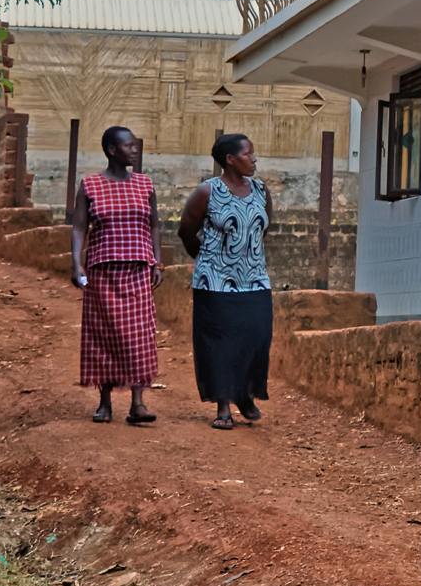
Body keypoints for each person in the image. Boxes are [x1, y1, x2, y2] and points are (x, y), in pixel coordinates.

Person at [179, 132, 275, 430]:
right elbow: (186, 230)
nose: (254, 159)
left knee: (258, 338)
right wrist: (209, 261)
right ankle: (224, 407)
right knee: (221, 344)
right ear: (230, 159)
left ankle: (244, 394)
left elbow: (263, 229)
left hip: (255, 280)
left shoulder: (261, 190)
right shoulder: (208, 192)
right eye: (248, 154)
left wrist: (247, 257)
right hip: (215, 282)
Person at [70, 125, 158, 425]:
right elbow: (80, 227)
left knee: (139, 337)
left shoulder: (145, 185)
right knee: (103, 337)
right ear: (111, 150)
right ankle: (105, 403)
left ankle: (138, 403)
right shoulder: (90, 185)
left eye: (135, 146)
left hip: (137, 271)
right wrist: (77, 264)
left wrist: (155, 262)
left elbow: (154, 226)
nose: (134, 150)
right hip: (102, 271)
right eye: (128, 146)